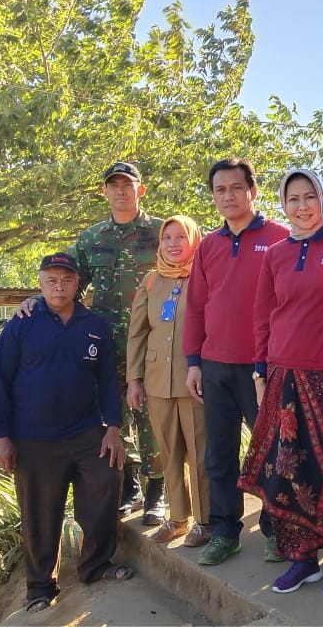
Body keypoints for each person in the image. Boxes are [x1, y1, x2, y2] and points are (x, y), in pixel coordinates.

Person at [0, 253, 132, 614]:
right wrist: (1, 436)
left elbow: (107, 383)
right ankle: (39, 587)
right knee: (40, 514)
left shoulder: (94, 325)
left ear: (77, 283)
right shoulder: (22, 324)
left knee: (106, 479)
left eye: (66, 279)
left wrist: (113, 427)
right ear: (40, 282)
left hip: (85, 432)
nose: (59, 285)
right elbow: (0, 381)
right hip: (33, 437)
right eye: (51, 279)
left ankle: (95, 566)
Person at [239, 169, 323, 596]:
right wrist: (260, 369)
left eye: (310, 196)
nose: (302, 206)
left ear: (322, 199)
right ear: (283, 204)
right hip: (282, 373)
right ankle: (301, 558)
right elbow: (263, 316)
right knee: (288, 469)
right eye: (293, 198)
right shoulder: (274, 254)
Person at [184, 158, 290, 566]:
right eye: (219, 190)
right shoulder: (208, 245)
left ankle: (275, 529)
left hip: (261, 368)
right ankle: (224, 531)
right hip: (214, 366)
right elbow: (195, 307)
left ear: (253, 191)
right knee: (219, 455)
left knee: (272, 451)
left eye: (235, 188)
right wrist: (194, 361)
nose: (227, 196)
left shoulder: (280, 239)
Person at [73, 161, 165, 523]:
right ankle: (130, 488)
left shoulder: (162, 232)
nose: (120, 191)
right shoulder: (91, 238)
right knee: (114, 418)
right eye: (113, 185)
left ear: (140, 190)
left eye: (127, 184)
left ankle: (157, 492)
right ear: (104, 192)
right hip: (108, 345)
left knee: (153, 418)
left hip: (153, 343)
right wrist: (39, 308)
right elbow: (71, 285)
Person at [126, 216, 211, 548]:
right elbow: (138, 333)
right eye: (167, 238)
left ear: (194, 240)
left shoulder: (204, 276)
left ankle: (204, 522)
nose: (173, 243)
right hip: (157, 381)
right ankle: (177, 518)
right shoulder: (150, 281)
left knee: (200, 453)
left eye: (181, 237)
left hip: (194, 380)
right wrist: (134, 379)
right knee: (169, 452)